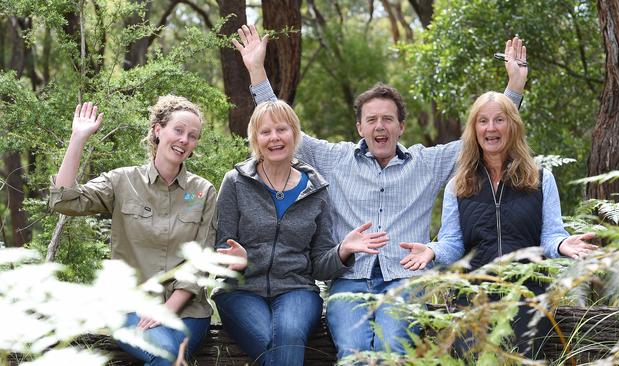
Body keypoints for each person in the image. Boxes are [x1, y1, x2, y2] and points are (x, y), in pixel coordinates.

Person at [231, 24, 528, 358]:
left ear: (401, 126)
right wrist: (256, 70)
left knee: (392, 346)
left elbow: (480, 137)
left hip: (404, 280)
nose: (379, 126)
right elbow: (282, 128)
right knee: (353, 351)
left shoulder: (425, 164)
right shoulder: (335, 159)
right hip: (350, 281)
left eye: (388, 119)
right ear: (360, 127)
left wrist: (514, 87)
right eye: (371, 120)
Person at [49, 96, 228, 366]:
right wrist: (78, 138)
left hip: (187, 312)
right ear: (158, 130)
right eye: (178, 130)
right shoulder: (122, 181)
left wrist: (166, 311)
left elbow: (201, 262)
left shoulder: (203, 191)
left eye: (192, 136)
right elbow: (64, 201)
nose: (184, 140)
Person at [419, 91, 598, 358]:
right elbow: (453, 244)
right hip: (474, 296)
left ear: (512, 126)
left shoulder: (540, 179)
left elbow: (550, 236)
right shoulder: (458, 184)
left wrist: (562, 245)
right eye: (483, 121)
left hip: (528, 294)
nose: (490, 128)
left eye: (499, 120)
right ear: (474, 129)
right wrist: (432, 251)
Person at [212, 100, 389, 365]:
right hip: (240, 289)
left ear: (294, 134)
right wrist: (235, 263)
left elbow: (319, 265)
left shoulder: (316, 190)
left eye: (281, 130)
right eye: (265, 132)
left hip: (296, 290)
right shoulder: (235, 182)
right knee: (269, 342)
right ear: (255, 139)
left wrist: (342, 251)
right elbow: (220, 248)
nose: (274, 138)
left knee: (289, 331)